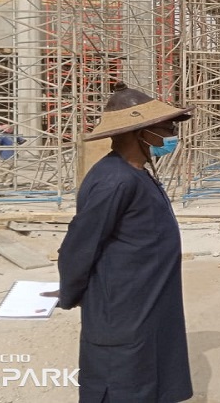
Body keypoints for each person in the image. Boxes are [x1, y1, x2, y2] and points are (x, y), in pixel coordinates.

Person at [52, 82, 194, 402]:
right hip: (122, 307)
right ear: (140, 133)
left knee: (151, 373)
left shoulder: (138, 172)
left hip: (148, 297)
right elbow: (80, 245)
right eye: (166, 129)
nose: (172, 135)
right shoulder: (114, 180)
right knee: (122, 380)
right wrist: (71, 292)